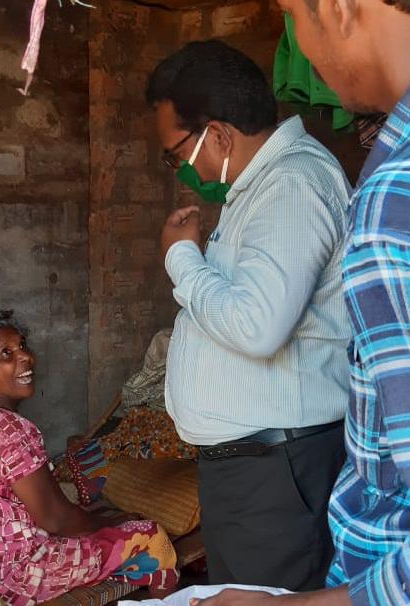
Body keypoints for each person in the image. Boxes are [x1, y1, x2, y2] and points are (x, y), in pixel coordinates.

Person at [191, 1, 410, 606]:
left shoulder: (387, 200)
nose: (303, 57)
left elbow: (259, 326)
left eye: (292, 17)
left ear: (337, 6)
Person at [145, 40, 351, 591]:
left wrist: (181, 258)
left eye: (175, 153)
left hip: (275, 473)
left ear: (217, 135)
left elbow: (257, 326)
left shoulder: (292, 185)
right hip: (257, 469)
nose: (179, 169)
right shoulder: (264, 187)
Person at [0, 312, 178, 606]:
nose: (25, 357)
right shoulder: (8, 428)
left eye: (22, 345)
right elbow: (57, 520)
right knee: (150, 538)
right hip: (2, 582)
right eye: (6, 353)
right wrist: (113, 522)